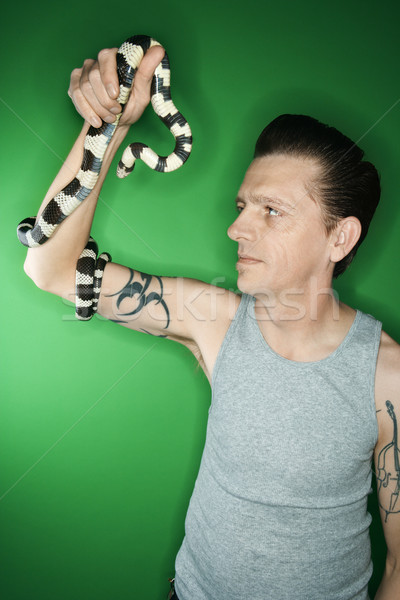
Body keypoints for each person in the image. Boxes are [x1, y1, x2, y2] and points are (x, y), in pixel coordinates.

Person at [23, 44, 400, 600]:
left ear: (339, 237)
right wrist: (107, 127)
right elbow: (50, 267)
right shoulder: (213, 318)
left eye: (270, 211)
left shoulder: (388, 377)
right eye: (241, 207)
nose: (236, 230)